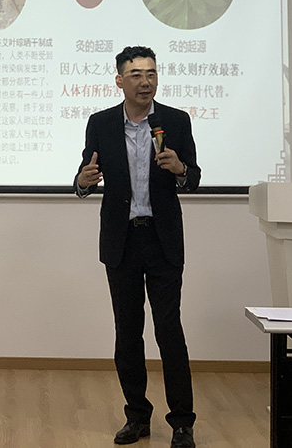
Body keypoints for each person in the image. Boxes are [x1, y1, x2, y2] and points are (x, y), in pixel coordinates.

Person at [74, 46, 201, 448]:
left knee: (169, 331)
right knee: (127, 333)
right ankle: (137, 416)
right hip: (122, 242)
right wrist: (83, 181)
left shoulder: (175, 121)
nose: (145, 82)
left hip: (162, 242)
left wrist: (180, 170)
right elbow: (84, 175)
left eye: (151, 74)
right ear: (120, 80)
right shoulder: (100, 123)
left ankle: (182, 422)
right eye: (136, 75)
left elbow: (193, 177)